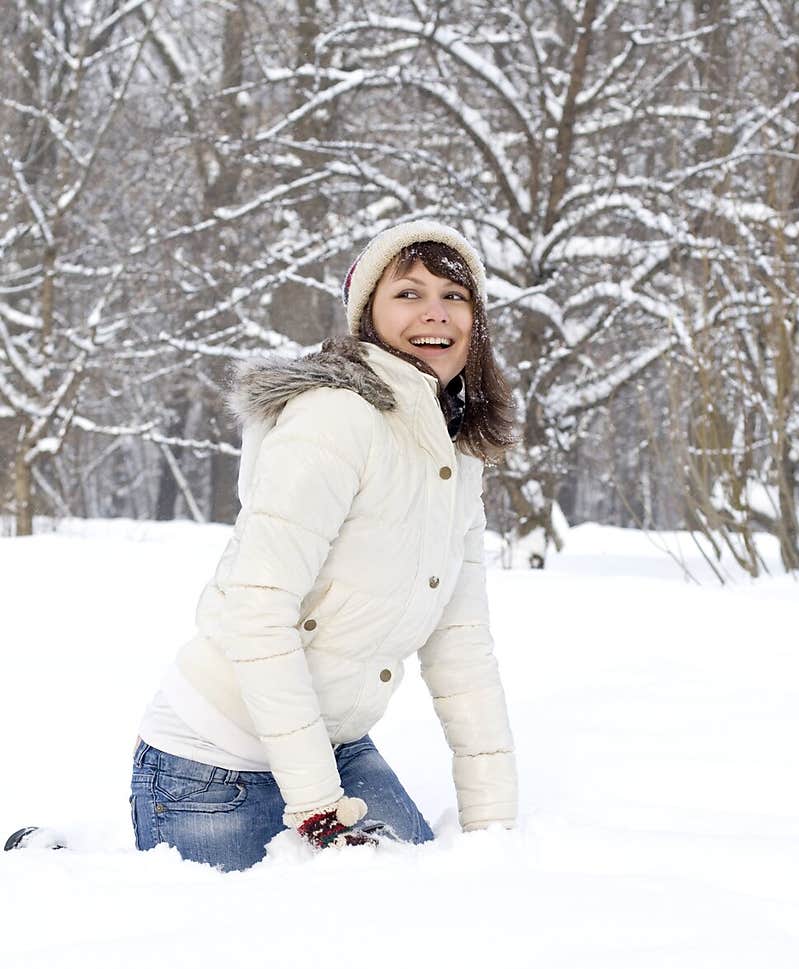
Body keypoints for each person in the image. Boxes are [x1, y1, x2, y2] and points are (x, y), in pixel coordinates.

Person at [124, 219, 518, 871]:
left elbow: (461, 641)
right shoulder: (335, 419)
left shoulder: (455, 453)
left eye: (455, 295)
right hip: (211, 763)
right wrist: (315, 805)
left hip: (332, 744)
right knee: (287, 959)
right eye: (408, 293)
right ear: (367, 316)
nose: (435, 313)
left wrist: (493, 824)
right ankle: (59, 866)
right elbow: (258, 609)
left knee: (424, 909)